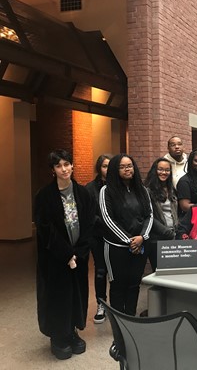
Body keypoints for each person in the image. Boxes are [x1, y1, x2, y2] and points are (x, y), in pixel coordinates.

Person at [35, 150, 95, 360]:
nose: (64, 169)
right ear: (53, 170)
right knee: (57, 296)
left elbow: (89, 225)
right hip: (55, 258)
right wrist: (66, 254)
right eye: (58, 166)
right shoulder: (44, 196)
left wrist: (78, 254)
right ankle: (58, 336)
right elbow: (45, 229)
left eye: (67, 164)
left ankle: (72, 331)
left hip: (78, 256)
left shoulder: (83, 193)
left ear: (72, 166)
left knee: (76, 295)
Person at [99, 154, 153, 316]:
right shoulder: (106, 190)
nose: (127, 169)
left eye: (129, 166)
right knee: (118, 286)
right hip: (117, 248)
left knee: (134, 284)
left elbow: (149, 215)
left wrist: (142, 237)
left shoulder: (142, 190)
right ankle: (119, 323)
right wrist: (130, 241)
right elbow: (108, 219)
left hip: (140, 245)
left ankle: (130, 318)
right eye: (122, 167)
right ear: (115, 170)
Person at [85, 154, 112, 324]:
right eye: (104, 166)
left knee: (116, 271)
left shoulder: (120, 186)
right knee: (101, 271)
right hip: (98, 236)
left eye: (110, 166)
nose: (107, 169)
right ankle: (101, 304)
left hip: (118, 237)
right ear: (99, 168)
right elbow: (88, 213)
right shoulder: (89, 188)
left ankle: (115, 305)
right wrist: (105, 224)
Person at [144, 157, 177, 271]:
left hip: (172, 235)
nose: (164, 172)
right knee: (160, 272)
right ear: (155, 170)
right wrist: (166, 231)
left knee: (172, 272)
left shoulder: (171, 188)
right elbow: (148, 216)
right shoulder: (148, 191)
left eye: (167, 170)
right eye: (160, 169)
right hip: (157, 239)